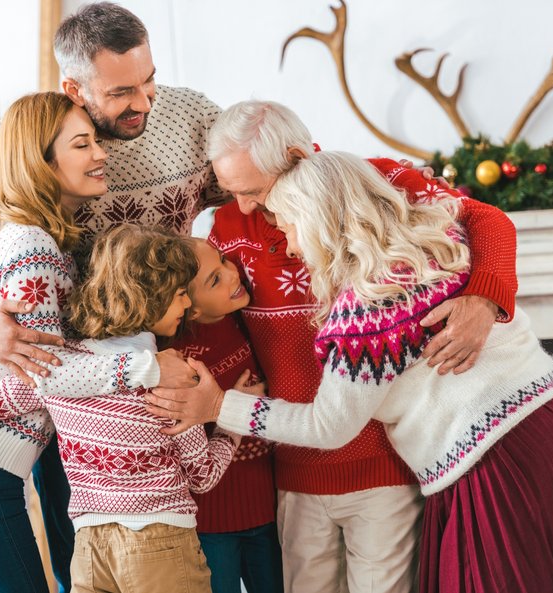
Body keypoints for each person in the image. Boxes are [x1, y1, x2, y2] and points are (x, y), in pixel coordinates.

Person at [167, 150, 553, 593]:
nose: (288, 244)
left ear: (320, 224)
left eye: (289, 228)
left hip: (493, 458)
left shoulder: (368, 310)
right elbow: (487, 219)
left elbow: (328, 426)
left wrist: (220, 405)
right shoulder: (437, 237)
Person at [0, 6, 229, 588]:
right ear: (73, 89)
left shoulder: (190, 117)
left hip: (157, 392)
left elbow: (275, 177)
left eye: (150, 79)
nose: (145, 102)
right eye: (123, 91)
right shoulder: (29, 143)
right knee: (77, 565)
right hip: (74, 407)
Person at [147, 100, 519, 593]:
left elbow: (487, 219)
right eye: (233, 192)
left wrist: (484, 296)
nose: (245, 207)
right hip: (293, 465)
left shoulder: (376, 181)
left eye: (255, 191)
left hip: (385, 464)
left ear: (297, 156)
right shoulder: (226, 233)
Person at [0, 224, 247, 593]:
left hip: (89, 548)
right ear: (152, 297)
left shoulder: (59, 369)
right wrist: (232, 423)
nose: (187, 304)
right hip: (160, 541)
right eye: (180, 293)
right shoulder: (171, 376)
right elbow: (203, 476)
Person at [171, 239, 283, 593]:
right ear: (192, 310)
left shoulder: (250, 320)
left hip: (267, 502)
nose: (233, 274)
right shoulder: (179, 354)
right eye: (214, 280)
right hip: (211, 515)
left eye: (223, 261)